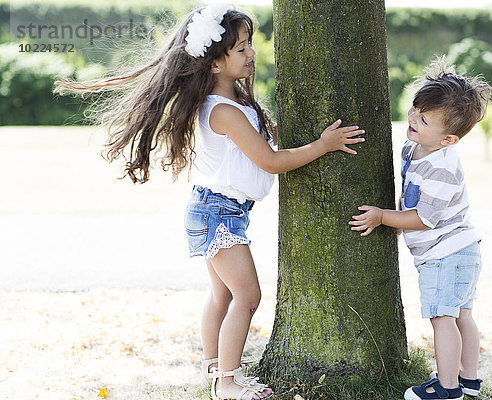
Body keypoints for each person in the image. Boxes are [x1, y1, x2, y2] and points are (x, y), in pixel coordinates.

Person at [55, 5, 365, 400]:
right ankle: (227, 382)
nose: (251, 53)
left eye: (249, 44)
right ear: (215, 63)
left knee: (222, 296)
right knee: (247, 296)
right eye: (241, 48)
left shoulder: (233, 102)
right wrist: (323, 145)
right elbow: (270, 162)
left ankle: (215, 370)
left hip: (217, 210)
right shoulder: (222, 111)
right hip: (219, 214)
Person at [348, 57, 492, 400]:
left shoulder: (442, 167)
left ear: (448, 139)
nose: (413, 119)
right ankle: (468, 379)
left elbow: (425, 217)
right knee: (461, 317)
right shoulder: (414, 149)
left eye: (424, 119)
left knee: (444, 319)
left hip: (446, 254)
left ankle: (448, 388)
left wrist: (385, 217)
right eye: (415, 109)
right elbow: (410, 196)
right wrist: (397, 213)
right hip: (457, 252)